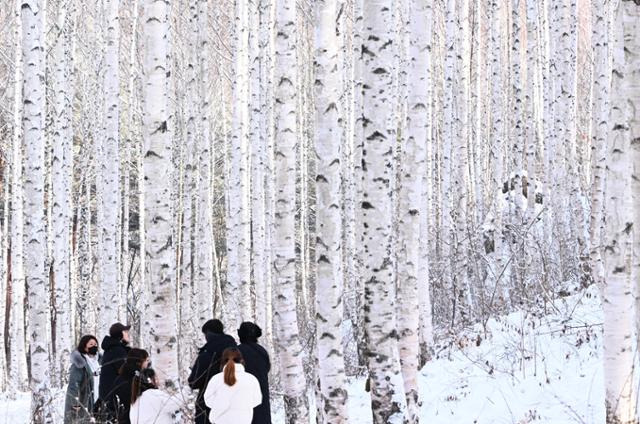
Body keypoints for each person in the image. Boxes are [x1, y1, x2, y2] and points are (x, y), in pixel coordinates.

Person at [188, 319, 237, 424]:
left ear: (208, 333)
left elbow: (194, 382)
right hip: (233, 404)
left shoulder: (207, 354)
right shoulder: (237, 353)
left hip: (208, 407)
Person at [203, 348, 262, 424]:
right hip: (243, 420)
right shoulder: (251, 379)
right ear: (241, 360)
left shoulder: (215, 379)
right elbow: (257, 400)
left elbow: (208, 400)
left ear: (223, 361)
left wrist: (220, 404)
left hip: (220, 420)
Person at [237, 322, 271, 424]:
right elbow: (267, 368)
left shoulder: (237, 351)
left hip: (243, 400)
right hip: (262, 397)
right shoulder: (262, 351)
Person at [63, 335, 101, 424]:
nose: (94, 346)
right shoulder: (79, 363)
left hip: (98, 400)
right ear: (84, 346)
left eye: (95, 344)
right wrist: (74, 402)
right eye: (91, 344)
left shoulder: (99, 361)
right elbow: (73, 384)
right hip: (85, 400)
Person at [99, 322, 132, 419]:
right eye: (125, 332)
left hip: (111, 396)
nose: (128, 334)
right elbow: (126, 372)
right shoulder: (117, 350)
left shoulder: (114, 349)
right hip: (114, 398)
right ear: (120, 334)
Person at [111, 348, 150, 424]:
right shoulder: (133, 377)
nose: (147, 363)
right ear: (139, 362)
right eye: (146, 360)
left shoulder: (127, 374)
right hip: (128, 417)